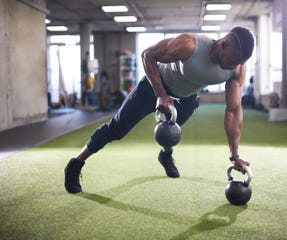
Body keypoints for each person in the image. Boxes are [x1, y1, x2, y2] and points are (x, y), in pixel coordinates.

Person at [64, 26, 255, 194]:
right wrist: (161, 94)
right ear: (223, 44)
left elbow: (233, 110)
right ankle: (76, 163)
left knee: (172, 132)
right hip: (152, 86)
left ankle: (165, 154)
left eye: (239, 62)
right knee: (117, 128)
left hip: (186, 99)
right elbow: (148, 55)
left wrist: (234, 156)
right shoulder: (190, 45)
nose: (234, 65)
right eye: (233, 60)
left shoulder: (236, 68)